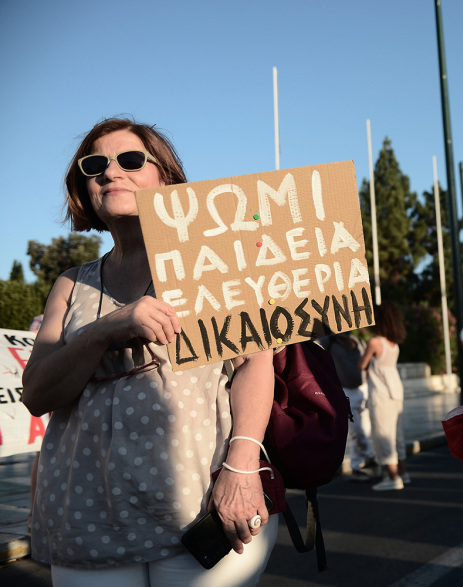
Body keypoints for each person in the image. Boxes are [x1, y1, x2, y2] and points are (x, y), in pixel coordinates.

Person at [22, 117, 277, 586]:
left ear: (167, 177)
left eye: (132, 160)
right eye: (94, 164)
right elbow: (37, 394)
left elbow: (256, 365)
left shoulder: (213, 256)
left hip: (199, 507)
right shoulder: (70, 284)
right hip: (87, 517)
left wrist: (241, 471)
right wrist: (106, 329)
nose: (110, 172)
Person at [359, 302, 409, 491]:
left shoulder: (375, 342)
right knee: (397, 435)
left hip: (380, 392)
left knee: (382, 434)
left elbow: (361, 364)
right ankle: (403, 473)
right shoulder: (393, 344)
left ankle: (393, 477)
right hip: (396, 389)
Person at [324, 332, 378, 480]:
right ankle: (372, 458)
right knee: (357, 432)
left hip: (362, 390)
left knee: (363, 432)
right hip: (344, 392)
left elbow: (366, 365)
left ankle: (355, 467)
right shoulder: (330, 341)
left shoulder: (358, 341)